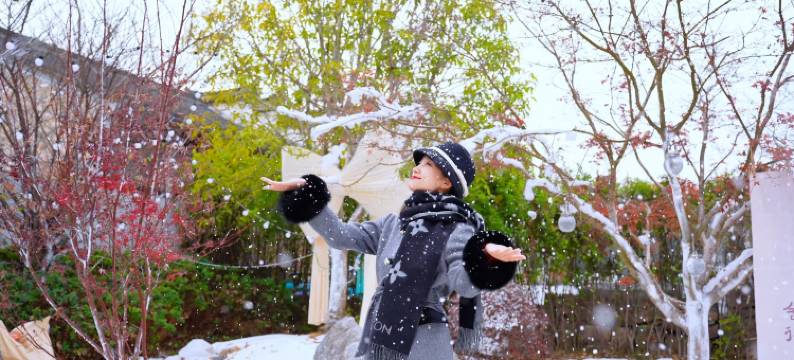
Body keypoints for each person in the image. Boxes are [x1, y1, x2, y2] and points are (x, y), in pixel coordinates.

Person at [263, 142, 525, 360]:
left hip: (425, 341)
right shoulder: (393, 223)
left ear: (447, 181)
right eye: (419, 162)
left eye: (428, 165)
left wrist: (485, 256)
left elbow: (465, 285)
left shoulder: (456, 229)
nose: (417, 167)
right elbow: (341, 236)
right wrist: (307, 194)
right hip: (381, 332)